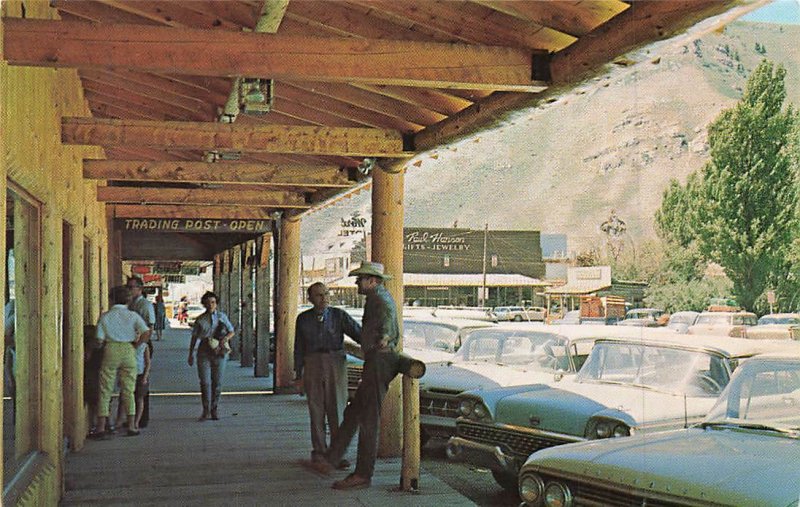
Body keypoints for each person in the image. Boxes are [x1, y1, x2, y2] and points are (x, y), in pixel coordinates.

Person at [303, 262, 401, 491]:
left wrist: (383, 338)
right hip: (376, 360)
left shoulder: (380, 299)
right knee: (354, 412)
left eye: (361, 279)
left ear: (373, 281)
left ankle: (362, 474)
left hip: (380, 360)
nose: (357, 282)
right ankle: (331, 458)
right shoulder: (377, 297)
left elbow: (386, 323)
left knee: (368, 419)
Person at [294, 282, 361, 466]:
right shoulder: (303, 319)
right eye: (318, 295)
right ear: (309, 298)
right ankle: (319, 451)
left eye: (326, 294)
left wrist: (376, 341)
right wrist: (298, 375)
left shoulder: (339, 315)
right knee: (316, 409)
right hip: (312, 361)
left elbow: (358, 333)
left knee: (337, 408)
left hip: (335, 361)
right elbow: (298, 348)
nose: (324, 299)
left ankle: (336, 453)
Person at [92, 285, 150, 439]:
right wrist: (136, 346)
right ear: (128, 300)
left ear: (111, 299)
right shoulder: (133, 316)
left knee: (105, 390)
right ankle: (131, 426)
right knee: (128, 391)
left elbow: (98, 340)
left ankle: (101, 427)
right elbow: (146, 332)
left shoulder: (105, 317)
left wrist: (94, 347)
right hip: (128, 351)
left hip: (110, 350)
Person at [188, 291, 234, 421]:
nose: (211, 305)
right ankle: (206, 409)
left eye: (213, 302)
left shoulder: (222, 317)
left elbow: (232, 331)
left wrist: (224, 339)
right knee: (205, 382)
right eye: (208, 303)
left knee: (217, 382)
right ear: (204, 304)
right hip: (204, 350)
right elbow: (194, 337)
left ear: (216, 304)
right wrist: (190, 353)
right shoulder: (200, 319)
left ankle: (214, 408)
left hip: (219, 350)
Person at [126, 276, 155, 428]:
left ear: (140, 288)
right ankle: (132, 417)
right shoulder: (131, 305)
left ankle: (142, 418)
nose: (129, 290)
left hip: (142, 343)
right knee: (131, 385)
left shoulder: (144, 305)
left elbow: (150, 327)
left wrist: (140, 344)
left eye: (131, 287)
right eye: (128, 287)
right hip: (134, 343)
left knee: (142, 383)